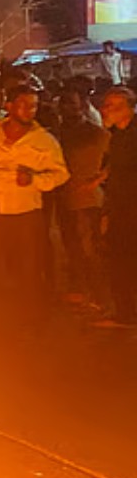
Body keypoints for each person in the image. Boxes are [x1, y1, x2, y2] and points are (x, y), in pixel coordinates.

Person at [0, 85, 69, 326]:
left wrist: (35, 179)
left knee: (28, 270)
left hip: (25, 216)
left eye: (33, 105)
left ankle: (28, 318)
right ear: (9, 106)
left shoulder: (44, 141)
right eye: (23, 104)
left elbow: (61, 174)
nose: (29, 110)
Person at [55, 87, 109, 308]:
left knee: (88, 248)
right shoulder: (56, 134)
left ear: (83, 106)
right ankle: (85, 290)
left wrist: (98, 180)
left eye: (73, 104)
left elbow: (117, 162)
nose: (69, 108)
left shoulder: (98, 134)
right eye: (65, 104)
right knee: (73, 244)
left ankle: (96, 294)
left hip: (87, 201)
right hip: (65, 198)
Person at [100, 87, 137, 327]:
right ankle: (125, 311)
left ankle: (127, 314)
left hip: (131, 211)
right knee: (120, 260)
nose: (105, 110)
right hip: (120, 209)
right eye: (106, 105)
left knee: (125, 261)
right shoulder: (118, 135)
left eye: (111, 106)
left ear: (128, 109)